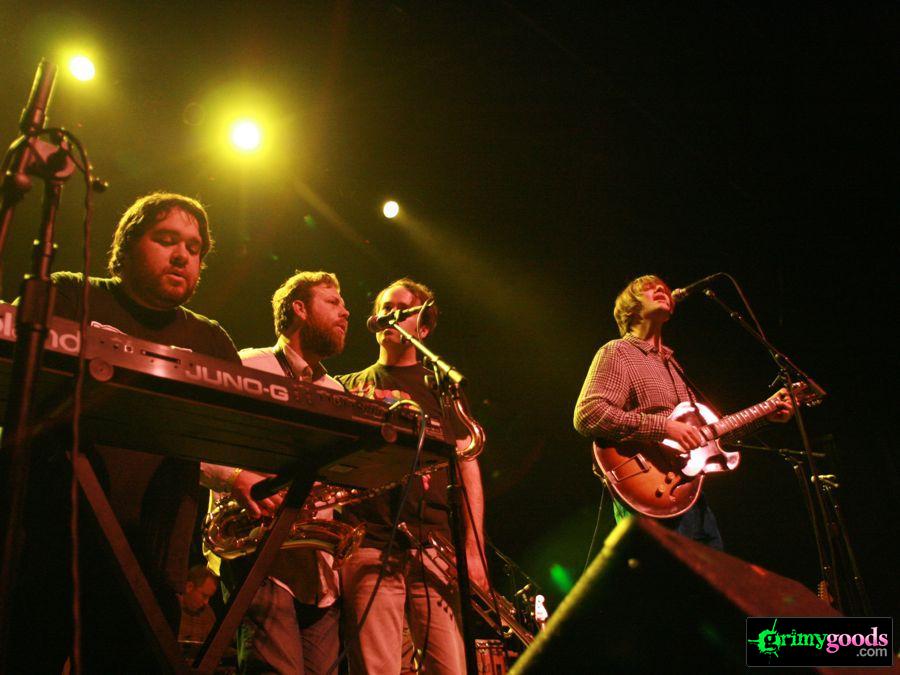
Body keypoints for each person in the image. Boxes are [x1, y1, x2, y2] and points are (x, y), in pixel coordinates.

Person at [7, 192, 240, 672]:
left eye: (194, 248)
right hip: (43, 542)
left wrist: (244, 477)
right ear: (128, 245)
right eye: (167, 239)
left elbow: (239, 436)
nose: (183, 255)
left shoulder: (211, 340)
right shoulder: (70, 294)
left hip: (148, 563)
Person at [336, 278, 487, 675]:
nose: (391, 314)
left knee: (450, 667)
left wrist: (473, 553)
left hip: (433, 547)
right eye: (385, 307)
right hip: (367, 542)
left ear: (423, 328)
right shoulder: (348, 385)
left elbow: (468, 466)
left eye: (402, 309)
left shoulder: (444, 391)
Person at [573, 274, 793, 548]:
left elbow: (707, 437)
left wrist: (766, 414)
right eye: (649, 289)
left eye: (664, 288)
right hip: (649, 490)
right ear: (630, 308)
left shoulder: (674, 366)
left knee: (712, 574)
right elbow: (589, 414)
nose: (660, 289)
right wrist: (664, 427)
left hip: (691, 496)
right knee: (665, 573)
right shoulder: (618, 352)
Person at [201, 270, 349, 674]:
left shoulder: (337, 392)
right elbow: (194, 442)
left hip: (319, 575)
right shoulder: (248, 365)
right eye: (333, 302)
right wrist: (234, 477)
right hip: (258, 554)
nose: (346, 312)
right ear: (300, 308)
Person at [179, 564, 219, 644]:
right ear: (189, 587)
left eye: (209, 597)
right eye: (204, 596)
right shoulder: (172, 608)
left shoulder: (208, 614)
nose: (206, 602)